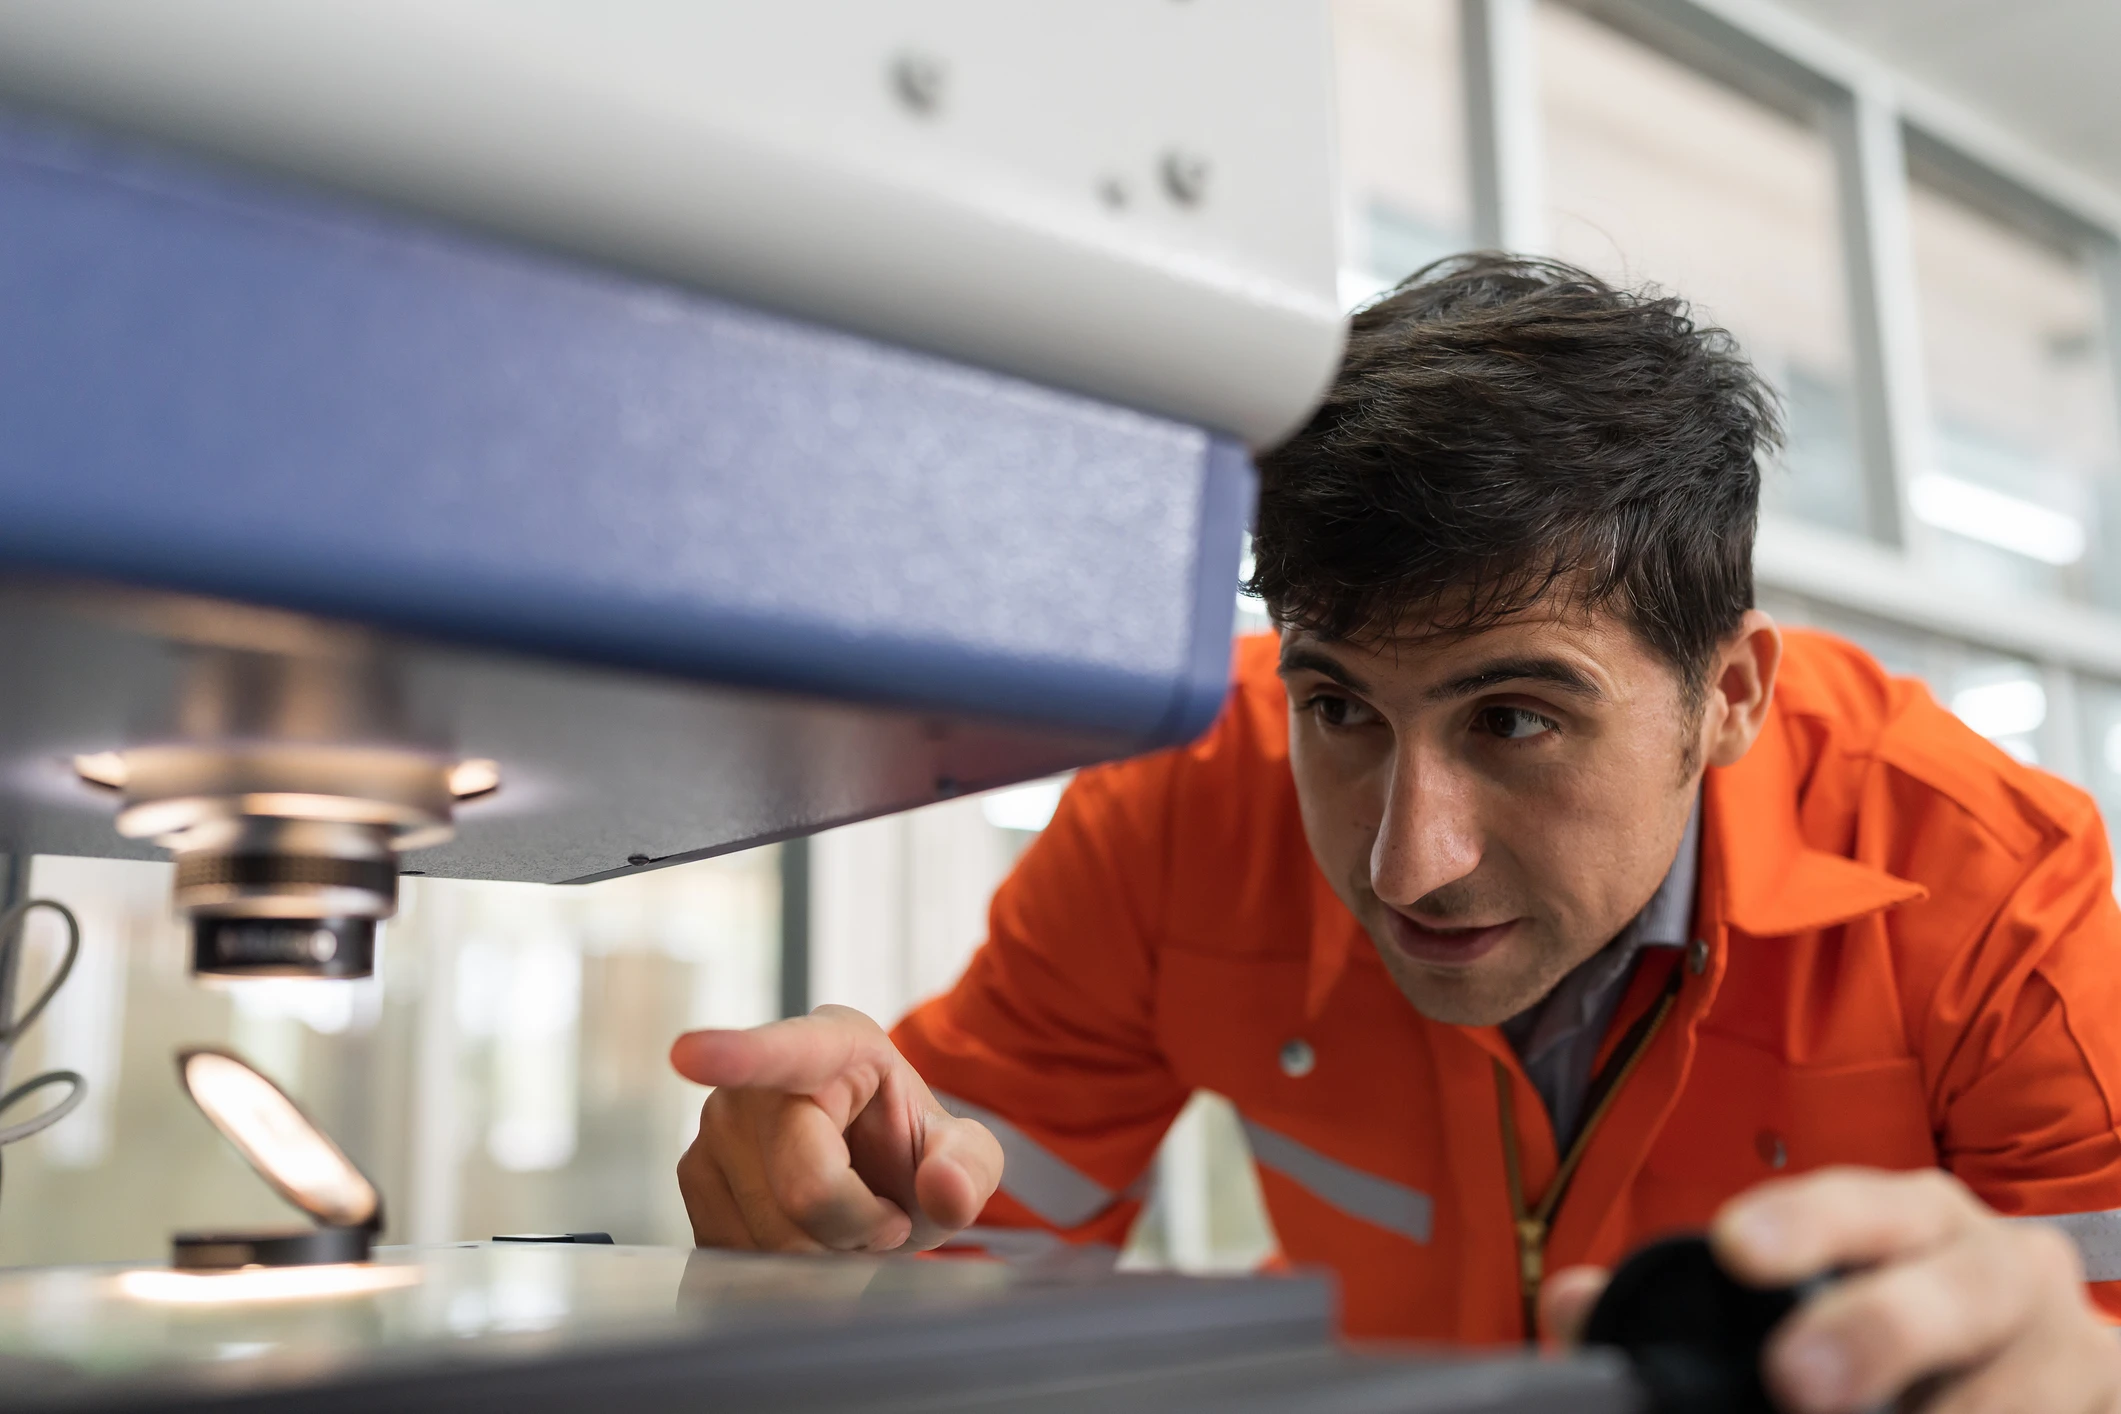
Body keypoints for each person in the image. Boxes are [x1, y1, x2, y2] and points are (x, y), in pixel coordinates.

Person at [669, 255, 2121, 1414]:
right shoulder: (1176, 813)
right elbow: (964, 1249)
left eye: (1517, 719)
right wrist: (835, 1217)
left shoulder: (1998, 902)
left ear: (1727, 694)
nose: (1405, 865)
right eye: (1341, 708)